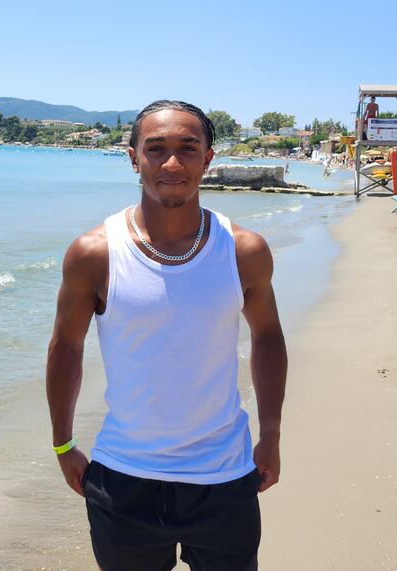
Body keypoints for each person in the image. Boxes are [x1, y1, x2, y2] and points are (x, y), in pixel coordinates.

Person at [46, 100, 288, 570]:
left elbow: (268, 337)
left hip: (225, 476)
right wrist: (62, 443)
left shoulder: (243, 251)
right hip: (123, 477)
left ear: (208, 159)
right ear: (133, 157)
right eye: (156, 149)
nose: (172, 163)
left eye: (187, 148)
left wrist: (272, 432)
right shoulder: (94, 253)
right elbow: (65, 347)